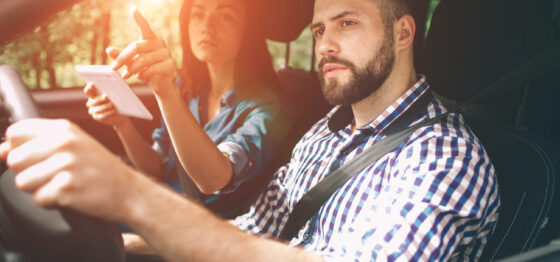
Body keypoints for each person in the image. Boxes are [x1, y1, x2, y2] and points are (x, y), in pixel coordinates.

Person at [0, 0, 499, 260]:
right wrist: (123, 240)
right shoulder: (325, 134)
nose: (324, 44)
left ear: (403, 32)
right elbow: (254, 229)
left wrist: (134, 200)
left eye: (346, 23)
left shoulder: (445, 155)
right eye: (320, 30)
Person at [83, 0, 291, 218]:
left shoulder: (271, 110)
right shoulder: (185, 89)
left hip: (195, 235)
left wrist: (166, 94)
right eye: (197, 15)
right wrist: (122, 124)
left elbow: (214, 179)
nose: (206, 27)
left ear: (248, 31)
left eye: (225, 16)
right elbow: (156, 169)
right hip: (156, 209)